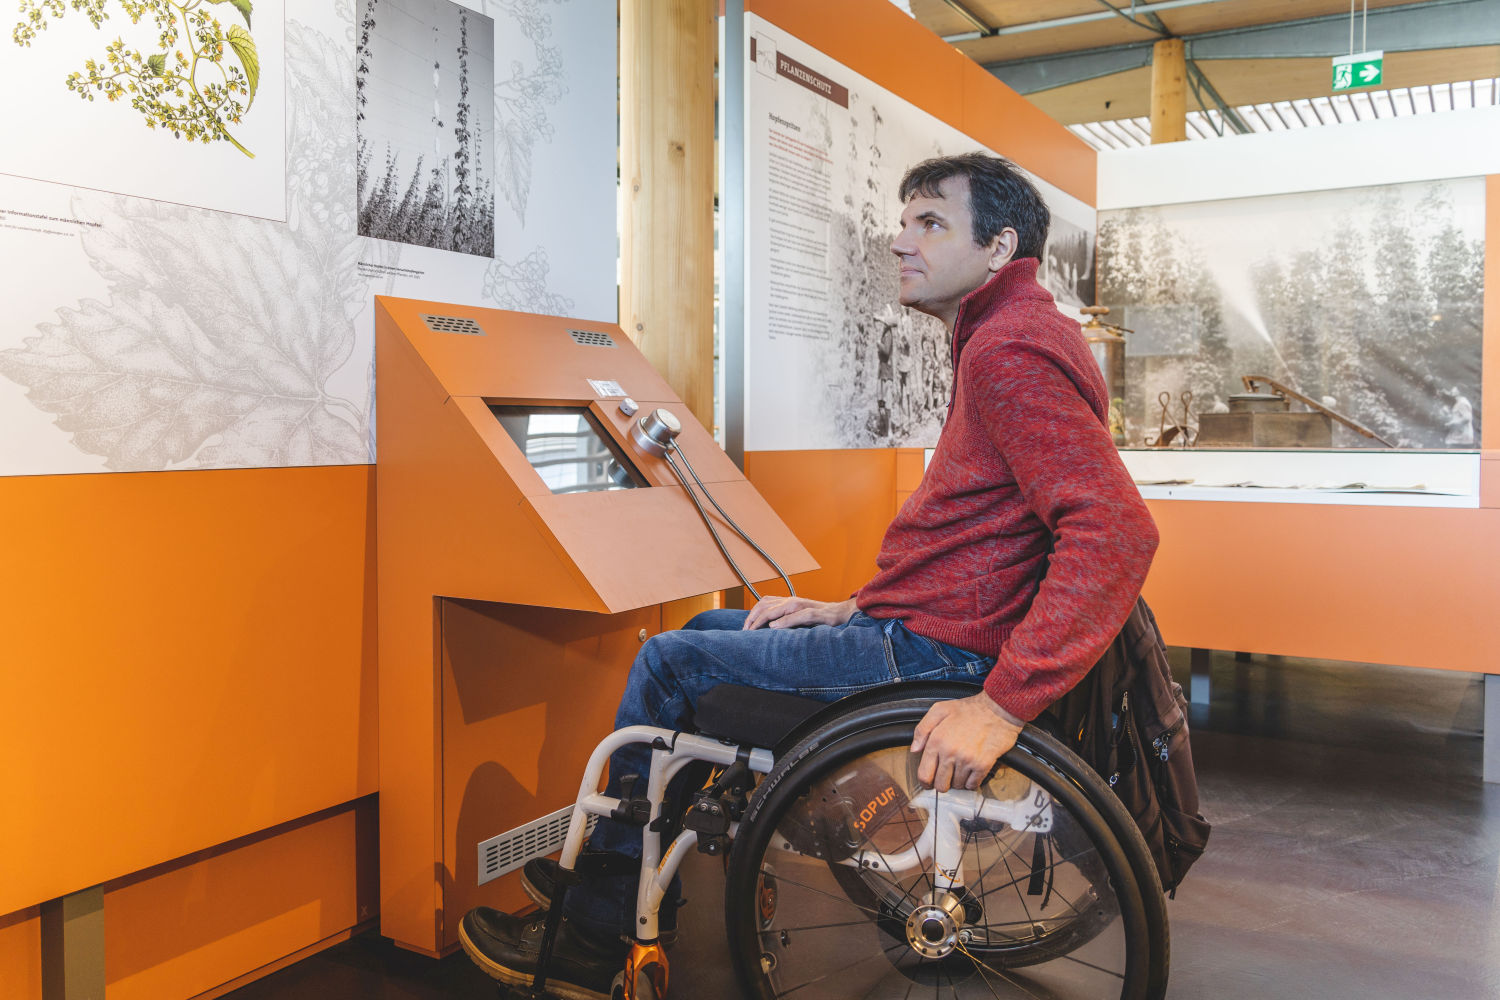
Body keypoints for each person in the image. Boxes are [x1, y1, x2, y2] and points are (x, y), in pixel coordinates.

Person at [459, 152, 1159, 996]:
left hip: (932, 656)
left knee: (666, 663)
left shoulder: (1007, 351)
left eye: (930, 222)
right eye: (904, 222)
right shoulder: (1014, 331)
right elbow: (985, 539)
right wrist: (845, 609)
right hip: (917, 629)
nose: (900, 242)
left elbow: (1116, 530)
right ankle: (626, 859)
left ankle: (598, 924)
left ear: (999, 244)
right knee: (713, 630)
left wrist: (1002, 704)